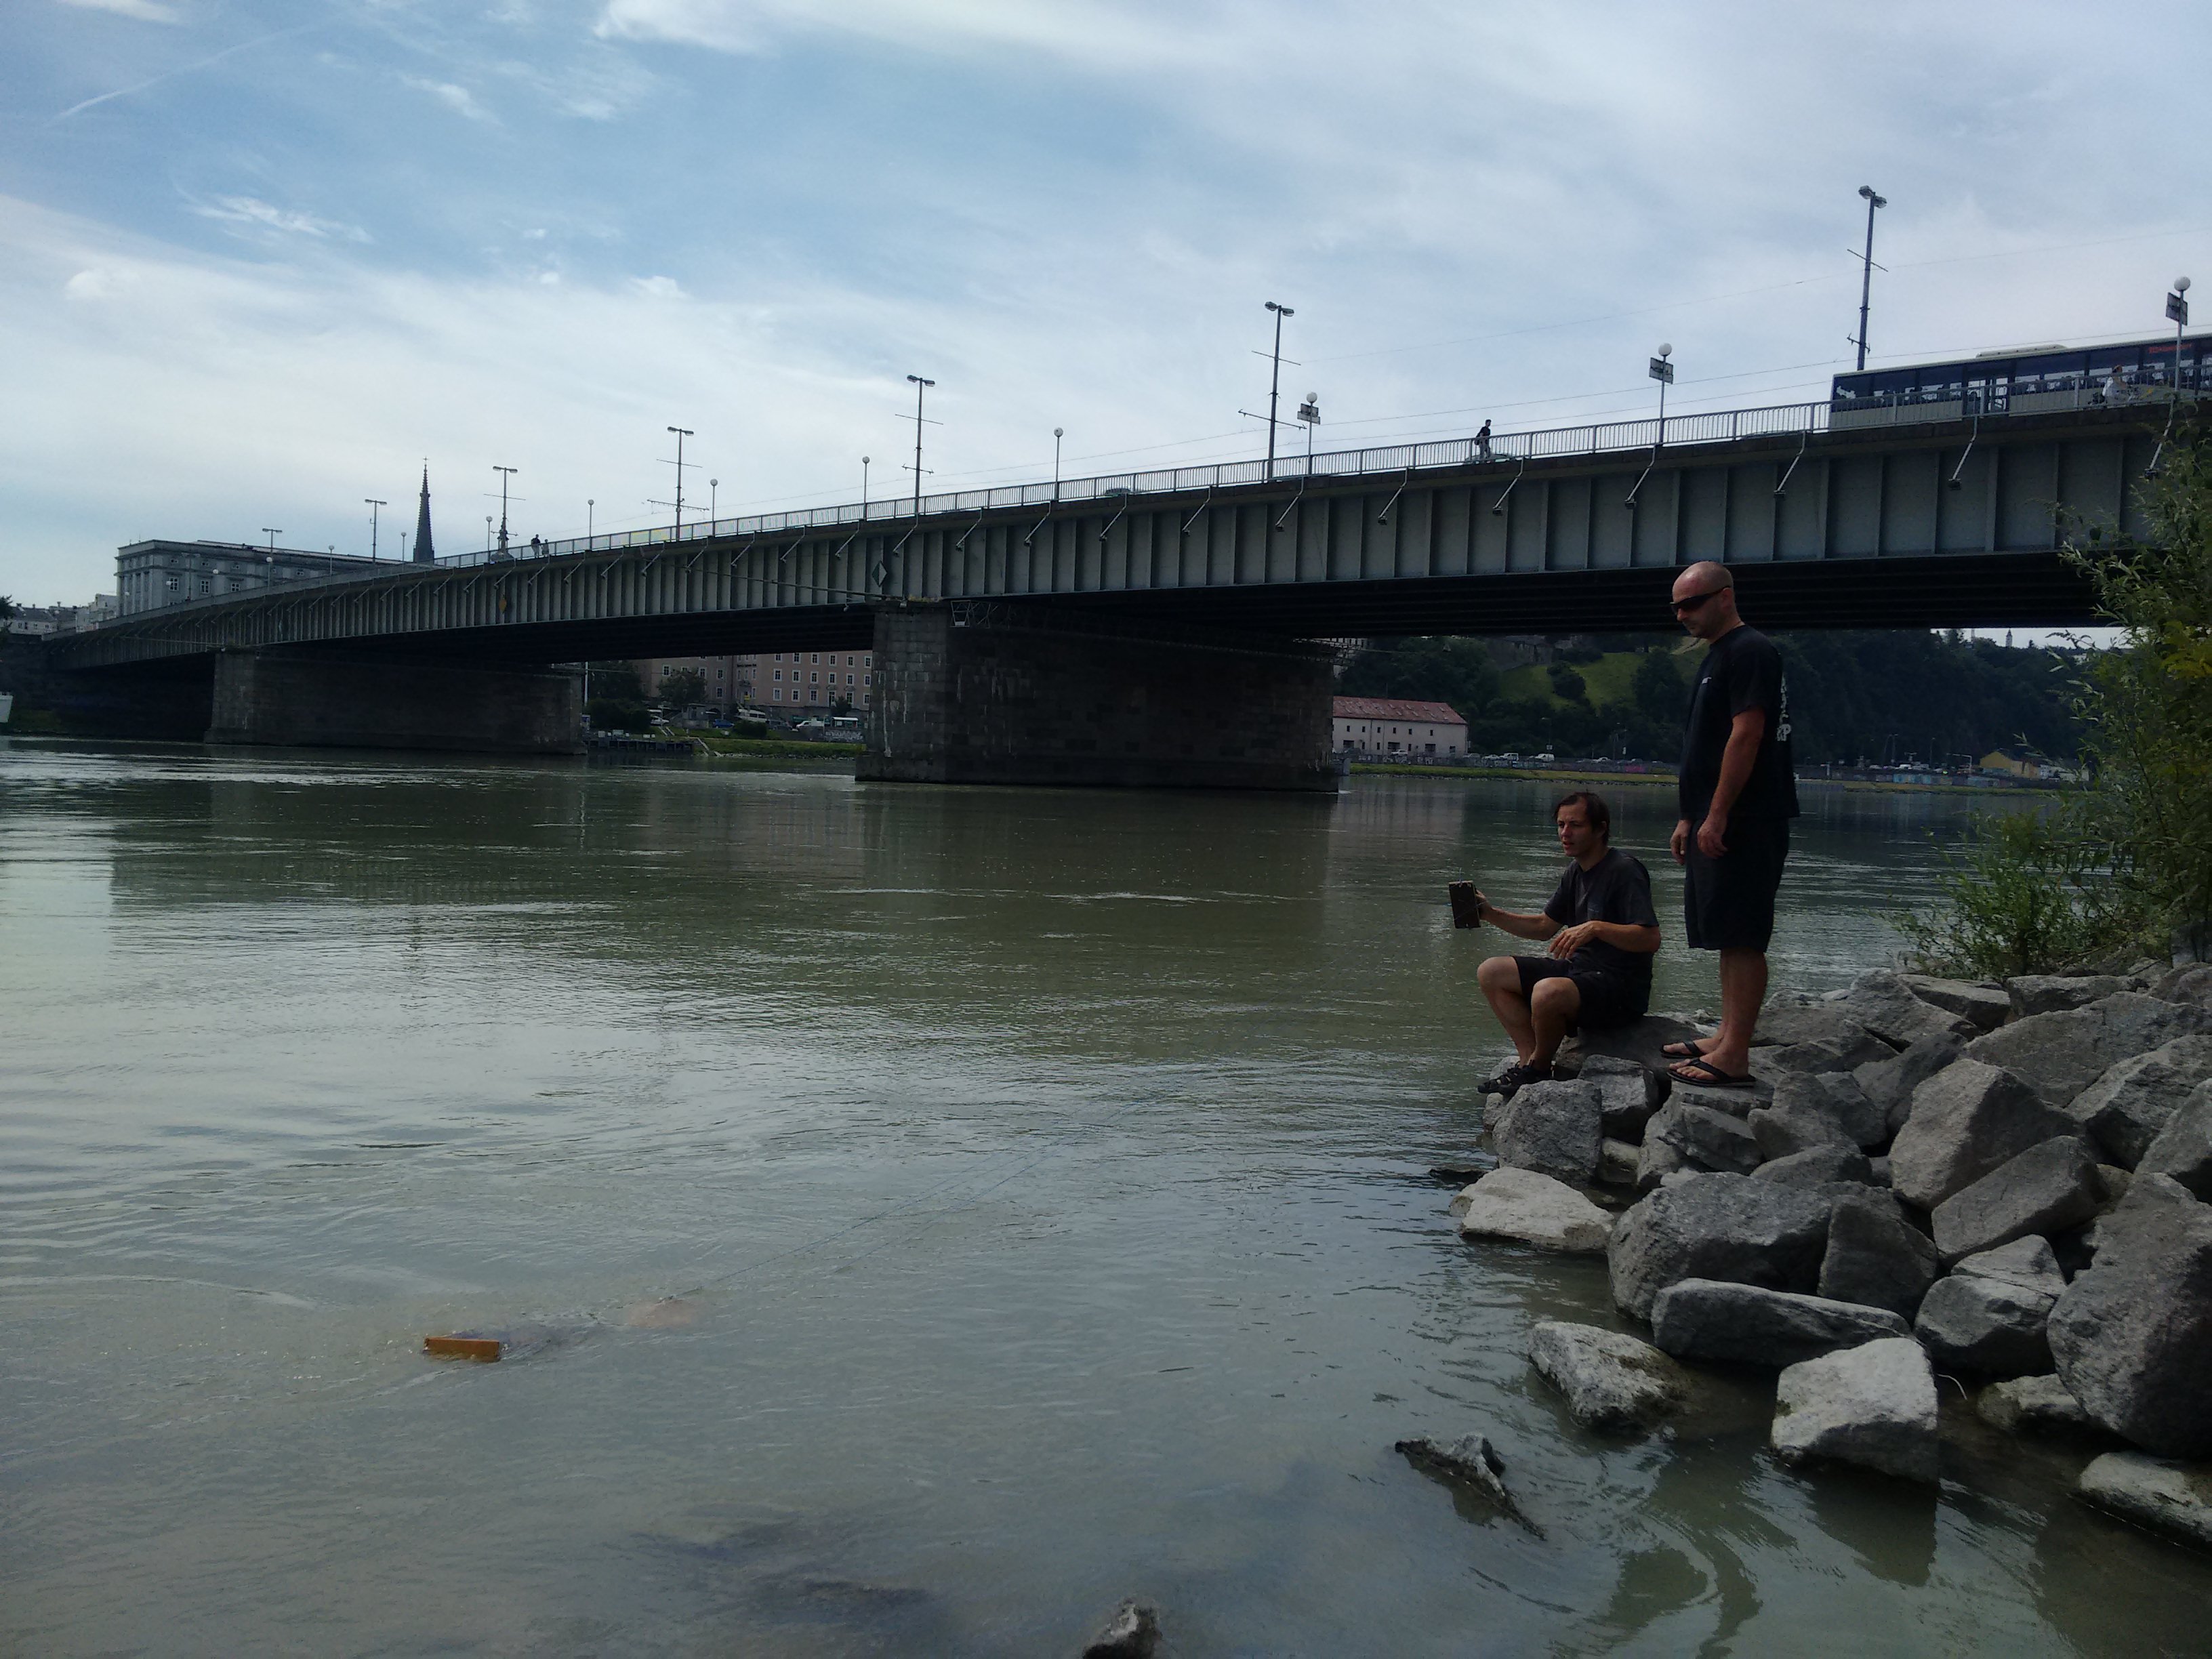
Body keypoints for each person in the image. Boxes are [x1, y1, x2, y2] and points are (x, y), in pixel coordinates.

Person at [1662, 560, 1799, 1088]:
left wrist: (1717, 814)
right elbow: (1704, 742)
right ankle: (1725, 1035)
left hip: (1748, 816)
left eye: (1691, 603)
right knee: (1725, 931)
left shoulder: (1751, 651)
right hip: (1715, 816)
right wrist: (1689, 815)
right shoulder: (1719, 656)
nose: (1681, 615)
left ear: (1725, 597)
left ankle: (1735, 1054)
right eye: (1675, 606)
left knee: (1743, 934)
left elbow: (1747, 735)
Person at [1467, 790, 1661, 1096]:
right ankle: (1528, 1060)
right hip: (1581, 972)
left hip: (1620, 987)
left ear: (1601, 829)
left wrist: (1596, 928)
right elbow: (1545, 926)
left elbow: (1651, 939)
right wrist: (1489, 913)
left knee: (1547, 991)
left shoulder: (1624, 870)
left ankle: (1541, 1069)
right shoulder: (1576, 872)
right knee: (1492, 971)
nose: (1565, 833)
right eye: (1560, 825)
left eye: (1576, 825)